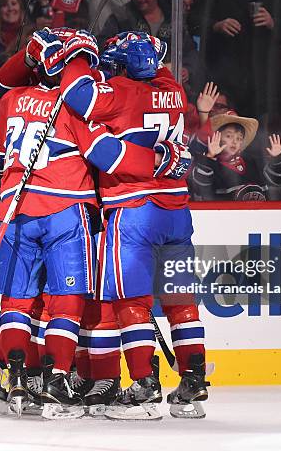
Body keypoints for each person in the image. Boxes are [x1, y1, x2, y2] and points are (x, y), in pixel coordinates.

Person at [0, 27, 188, 419]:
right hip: (70, 209)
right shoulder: (74, 105)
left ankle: (18, 377)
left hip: (18, 210)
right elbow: (103, 153)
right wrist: (159, 162)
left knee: (23, 301)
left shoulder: (13, 97)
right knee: (68, 301)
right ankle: (60, 378)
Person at [60, 31, 209, 420]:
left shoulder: (122, 92)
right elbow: (150, 65)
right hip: (177, 211)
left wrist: (77, 53)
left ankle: (144, 387)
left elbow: (79, 94)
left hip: (134, 209)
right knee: (180, 300)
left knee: (132, 301)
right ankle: (192, 384)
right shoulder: (174, 90)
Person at [188, 110, 281, 201]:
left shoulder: (253, 162)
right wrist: (210, 156)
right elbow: (201, 187)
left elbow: (277, 184)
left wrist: (277, 160)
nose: (234, 141)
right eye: (229, 136)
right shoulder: (211, 166)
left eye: (239, 138)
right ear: (216, 138)